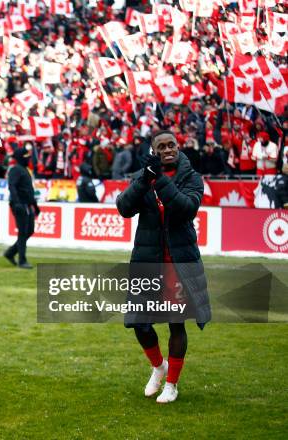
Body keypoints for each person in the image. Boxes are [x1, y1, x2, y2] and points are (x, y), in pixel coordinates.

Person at [116, 130, 211, 404]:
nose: (168, 149)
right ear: (153, 150)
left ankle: (172, 384)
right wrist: (144, 179)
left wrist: (158, 181)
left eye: (172, 145)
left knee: (176, 325)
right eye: (162, 146)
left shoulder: (191, 177)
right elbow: (123, 208)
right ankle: (159, 368)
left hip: (179, 264)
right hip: (147, 263)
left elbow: (185, 209)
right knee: (138, 324)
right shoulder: (144, 175)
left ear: (178, 147)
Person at [3, 147, 40, 269]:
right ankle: (22, 260)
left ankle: (11, 252)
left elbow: (30, 191)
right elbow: (12, 186)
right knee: (23, 232)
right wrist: (17, 202)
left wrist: (35, 206)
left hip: (27, 204)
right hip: (20, 204)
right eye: (26, 157)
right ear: (19, 158)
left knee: (29, 231)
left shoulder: (24, 170)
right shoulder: (15, 170)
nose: (28, 159)